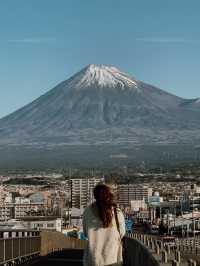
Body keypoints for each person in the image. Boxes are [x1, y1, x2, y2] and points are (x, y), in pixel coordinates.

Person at [83, 183, 126, 266]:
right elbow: (122, 233)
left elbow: (85, 233)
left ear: (95, 196)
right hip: (113, 260)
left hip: (93, 260)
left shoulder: (87, 211)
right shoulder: (117, 213)